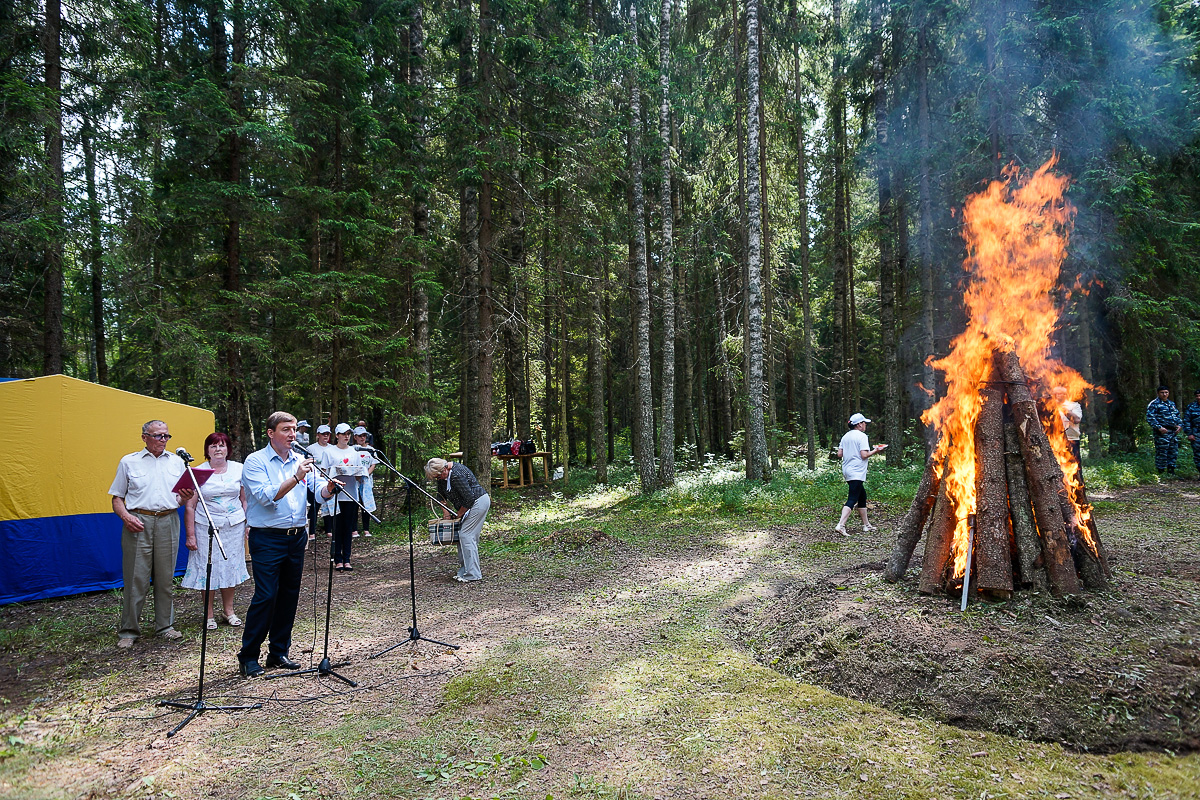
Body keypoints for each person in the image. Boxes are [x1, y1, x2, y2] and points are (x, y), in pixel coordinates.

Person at [238, 412, 336, 678]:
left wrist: (330, 487)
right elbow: (266, 496)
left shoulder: (300, 460)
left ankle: (278, 652)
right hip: (267, 537)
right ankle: (248, 656)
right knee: (266, 595)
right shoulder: (255, 461)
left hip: (296, 537)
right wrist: (295, 477)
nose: (293, 434)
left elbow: (318, 491)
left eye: (294, 429)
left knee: (289, 595)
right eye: (286, 430)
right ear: (271, 433)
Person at [108, 420, 194, 648]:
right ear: (144, 437)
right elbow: (117, 498)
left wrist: (185, 497)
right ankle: (129, 630)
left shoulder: (177, 462)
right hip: (139, 521)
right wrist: (126, 517)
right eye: (158, 436)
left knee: (166, 578)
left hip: (168, 520)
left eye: (167, 436)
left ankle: (165, 626)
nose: (163, 440)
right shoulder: (129, 461)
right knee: (136, 578)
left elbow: (182, 498)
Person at [181, 432, 250, 629]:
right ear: (207, 451)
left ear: (228, 449)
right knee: (208, 568)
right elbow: (189, 507)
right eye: (213, 446)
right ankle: (208, 613)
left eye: (221, 445)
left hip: (234, 526)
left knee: (230, 567)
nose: (218, 449)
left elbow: (245, 499)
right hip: (206, 527)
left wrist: (247, 523)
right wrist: (190, 535)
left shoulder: (239, 469)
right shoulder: (197, 472)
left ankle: (229, 611)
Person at [424, 457, 489, 582]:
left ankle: (473, 574)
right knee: (463, 536)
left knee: (466, 535)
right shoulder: (443, 476)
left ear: (444, 469)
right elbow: (440, 496)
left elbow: (469, 498)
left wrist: (459, 514)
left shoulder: (456, 475)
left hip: (478, 502)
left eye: (438, 476)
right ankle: (465, 570)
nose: (438, 479)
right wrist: (446, 513)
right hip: (471, 504)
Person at [834, 413, 887, 536]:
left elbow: (839, 454)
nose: (865, 425)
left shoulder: (845, 436)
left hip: (847, 470)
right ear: (859, 424)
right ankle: (841, 525)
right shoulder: (862, 436)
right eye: (864, 423)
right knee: (852, 498)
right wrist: (876, 450)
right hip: (856, 471)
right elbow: (864, 455)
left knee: (862, 496)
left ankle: (866, 525)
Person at [329, 422, 364, 568]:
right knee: (337, 528)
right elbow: (324, 472)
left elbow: (360, 475)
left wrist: (356, 473)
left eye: (348, 434)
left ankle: (347, 559)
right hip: (335, 495)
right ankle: (337, 559)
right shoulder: (329, 452)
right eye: (343, 434)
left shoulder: (354, 453)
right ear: (337, 435)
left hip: (350, 494)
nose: (346, 436)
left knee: (348, 527)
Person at [1146, 385, 1183, 476]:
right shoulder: (1154, 404)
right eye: (1162, 393)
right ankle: (1161, 472)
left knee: (1173, 451)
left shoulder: (1171, 404)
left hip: (1173, 432)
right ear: (1158, 393)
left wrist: (1179, 426)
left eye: (1166, 392)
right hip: (1162, 432)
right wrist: (1159, 427)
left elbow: (1177, 416)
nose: (1164, 394)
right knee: (1162, 452)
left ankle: (1171, 471)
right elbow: (1150, 417)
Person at [308, 424, 335, 542]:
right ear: (317, 435)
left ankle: (329, 530)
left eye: (327, 434)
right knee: (314, 506)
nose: (325, 436)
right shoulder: (311, 449)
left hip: (330, 481)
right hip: (314, 481)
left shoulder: (333, 448)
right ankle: (311, 531)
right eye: (323, 434)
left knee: (330, 506)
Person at [352, 427, 377, 538]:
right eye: (360, 436)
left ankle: (366, 529)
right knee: (354, 506)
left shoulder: (371, 450)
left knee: (365, 505)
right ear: (355, 437)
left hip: (366, 482)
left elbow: (373, 464)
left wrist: (366, 474)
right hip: (354, 482)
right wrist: (357, 475)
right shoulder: (352, 449)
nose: (362, 438)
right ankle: (354, 529)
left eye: (364, 436)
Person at [1052, 385, 1084, 467]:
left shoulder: (1074, 405)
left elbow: (1076, 420)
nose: (1058, 395)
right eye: (1056, 394)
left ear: (1066, 395)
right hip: (1055, 442)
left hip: (1072, 439)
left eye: (1061, 393)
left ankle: (1078, 480)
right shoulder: (1050, 406)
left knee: (1075, 466)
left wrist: (1063, 409)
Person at [1183, 389, 1200, 476]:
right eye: (1197, 396)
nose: (1198, 397)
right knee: (1198, 454)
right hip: (1196, 433)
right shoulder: (1191, 407)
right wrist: (1189, 433)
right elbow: (1186, 421)